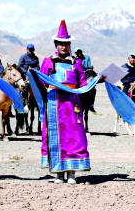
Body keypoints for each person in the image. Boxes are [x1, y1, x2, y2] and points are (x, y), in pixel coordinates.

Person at [38, 20, 90, 185]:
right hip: (54, 103)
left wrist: (97, 80)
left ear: (70, 45)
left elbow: (83, 83)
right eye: (60, 44)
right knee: (55, 136)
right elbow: (41, 81)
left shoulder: (76, 63)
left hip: (72, 103)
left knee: (73, 136)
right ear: (56, 45)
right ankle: (58, 173)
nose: (63, 47)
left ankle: (72, 173)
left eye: (66, 44)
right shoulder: (48, 61)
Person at [74, 48, 96, 112]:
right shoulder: (75, 59)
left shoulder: (87, 58)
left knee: (93, 88)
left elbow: (89, 67)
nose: (79, 53)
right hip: (78, 75)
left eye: (80, 52)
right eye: (77, 52)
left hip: (87, 74)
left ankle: (91, 104)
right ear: (75, 53)